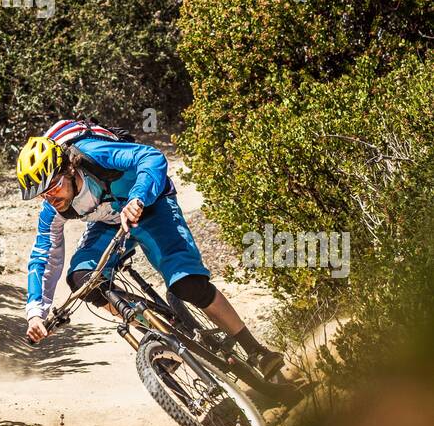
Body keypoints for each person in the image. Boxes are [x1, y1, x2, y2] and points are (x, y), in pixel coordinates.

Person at [17, 123, 283, 377]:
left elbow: (151, 157)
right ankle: (164, 332)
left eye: (53, 188)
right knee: (83, 279)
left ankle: (256, 351)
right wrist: (35, 314)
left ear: (69, 169)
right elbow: (44, 255)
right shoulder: (52, 209)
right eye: (43, 195)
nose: (51, 198)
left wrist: (138, 196)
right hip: (109, 222)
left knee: (187, 284)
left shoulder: (93, 154)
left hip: (152, 204)